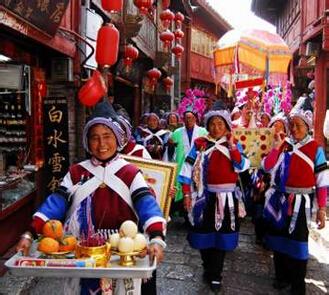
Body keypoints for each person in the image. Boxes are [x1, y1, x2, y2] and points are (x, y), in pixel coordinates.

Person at [16, 101, 166, 295]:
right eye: (94, 138)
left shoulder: (130, 173)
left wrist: (156, 237)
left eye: (107, 136)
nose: (101, 144)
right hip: (83, 253)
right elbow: (56, 203)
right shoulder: (77, 173)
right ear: (87, 142)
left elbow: (147, 204)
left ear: (118, 138)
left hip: (121, 253)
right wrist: (30, 233)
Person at [178, 103, 250, 292]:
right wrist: (186, 193)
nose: (216, 128)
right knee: (203, 232)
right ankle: (207, 265)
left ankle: (216, 274)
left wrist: (233, 148)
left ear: (227, 126)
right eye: (212, 124)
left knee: (221, 235)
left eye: (220, 124)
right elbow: (186, 169)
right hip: (204, 197)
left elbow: (241, 166)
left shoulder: (233, 145)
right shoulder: (200, 144)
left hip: (227, 199)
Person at [261, 108, 328, 295]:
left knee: (298, 243)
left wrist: (321, 208)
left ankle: (298, 283)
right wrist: (276, 147)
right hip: (279, 200)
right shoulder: (283, 144)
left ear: (307, 127)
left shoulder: (316, 148)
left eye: (299, 126)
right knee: (278, 239)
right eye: (292, 125)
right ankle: (281, 277)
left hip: (301, 202)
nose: (295, 129)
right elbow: (266, 167)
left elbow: (322, 180)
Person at [168, 110, 207, 217]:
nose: (188, 120)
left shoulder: (203, 132)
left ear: (195, 119)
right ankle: (183, 211)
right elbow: (171, 148)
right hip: (181, 164)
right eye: (186, 118)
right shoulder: (177, 132)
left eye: (190, 117)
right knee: (182, 187)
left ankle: (196, 212)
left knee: (196, 187)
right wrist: (170, 143)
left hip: (197, 165)